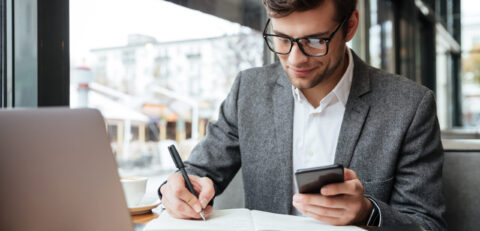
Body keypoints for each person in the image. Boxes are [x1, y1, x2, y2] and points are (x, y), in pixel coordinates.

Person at [158, 0, 446, 230]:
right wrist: (178, 188)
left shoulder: (409, 106)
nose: (295, 59)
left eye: (315, 41)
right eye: (282, 39)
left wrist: (368, 213)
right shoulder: (249, 90)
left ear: (350, 27)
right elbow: (197, 173)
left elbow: (427, 224)